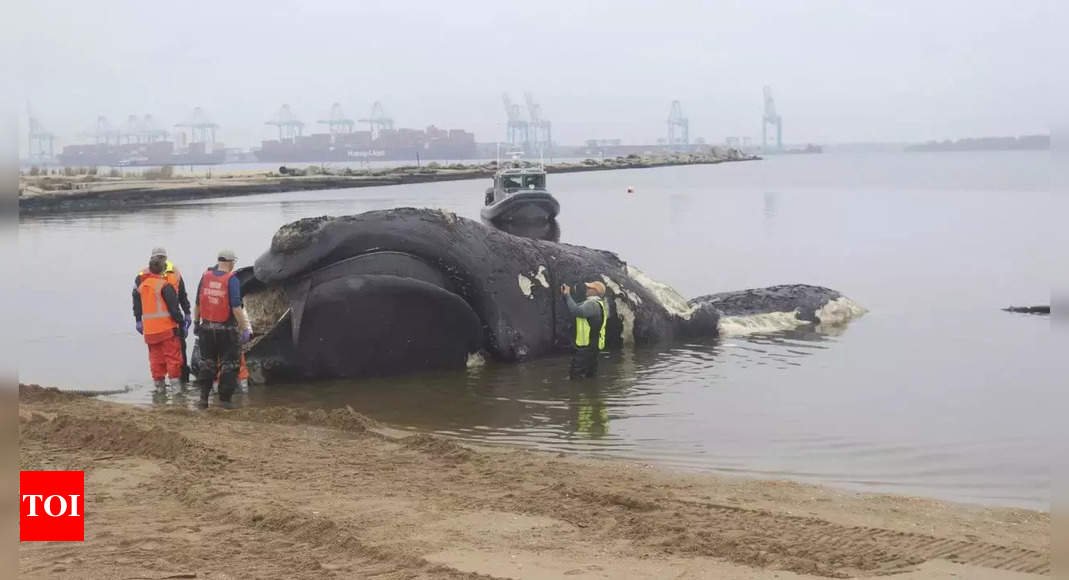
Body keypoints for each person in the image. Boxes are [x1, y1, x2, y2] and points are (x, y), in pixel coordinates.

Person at [193, 249, 253, 409]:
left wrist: (195, 322)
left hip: (206, 328)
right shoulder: (231, 279)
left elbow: (198, 303)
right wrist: (245, 328)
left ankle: (203, 399)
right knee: (230, 365)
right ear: (230, 262)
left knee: (207, 364)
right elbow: (236, 307)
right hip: (226, 330)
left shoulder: (205, 277)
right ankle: (225, 401)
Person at [134, 247, 192, 382]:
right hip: (168, 328)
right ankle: (178, 392)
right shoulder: (151, 280)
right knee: (174, 359)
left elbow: (182, 295)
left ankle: (160, 393)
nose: (160, 259)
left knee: (156, 361)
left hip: (151, 330)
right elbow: (173, 307)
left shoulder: (147, 281)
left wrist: (187, 311)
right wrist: (182, 322)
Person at [560, 280, 608, 379]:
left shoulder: (592, 304)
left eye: (589, 287)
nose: (587, 289)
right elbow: (574, 306)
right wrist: (565, 296)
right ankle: (591, 392)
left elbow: (577, 311)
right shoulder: (596, 303)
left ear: (595, 291)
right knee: (590, 375)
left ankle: (578, 393)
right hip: (593, 346)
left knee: (575, 376)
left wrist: (568, 295)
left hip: (586, 347)